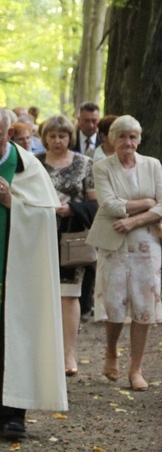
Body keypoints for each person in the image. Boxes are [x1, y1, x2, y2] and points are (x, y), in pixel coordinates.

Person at [0, 106, 67, 438]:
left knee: (9, 337)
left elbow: (46, 217)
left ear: (9, 134)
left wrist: (11, 203)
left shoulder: (27, 167)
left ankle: (11, 412)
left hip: (13, 267)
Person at [86, 115, 162, 392]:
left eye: (132, 137)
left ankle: (136, 369)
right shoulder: (102, 166)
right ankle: (110, 351)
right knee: (114, 305)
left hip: (147, 243)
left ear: (139, 139)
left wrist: (134, 220)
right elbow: (108, 205)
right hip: (113, 242)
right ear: (111, 139)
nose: (127, 142)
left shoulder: (153, 165)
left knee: (144, 307)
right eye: (121, 137)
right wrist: (146, 203)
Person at [36, 115, 97, 376]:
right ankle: (40, 353)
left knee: (69, 294)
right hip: (38, 235)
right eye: (52, 136)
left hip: (71, 237)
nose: (57, 141)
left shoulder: (85, 164)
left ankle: (67, 354)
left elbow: (95, 202)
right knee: (39, 295)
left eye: (62, 136)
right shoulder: (33, 163)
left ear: (70, 137)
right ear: (45, 138)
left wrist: (71, 208)